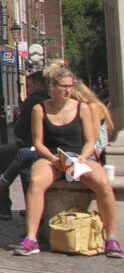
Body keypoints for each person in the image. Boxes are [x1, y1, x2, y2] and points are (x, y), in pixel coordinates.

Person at [11, 65, 121, 257]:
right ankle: (31, 238)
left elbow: (90, 141)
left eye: (70, 86)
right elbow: (38, 143)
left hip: (78, 156)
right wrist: (53, 159)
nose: (67, 90)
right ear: (52, 87)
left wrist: (82, 158)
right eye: (63, 86)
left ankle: (111, 238)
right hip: (52, 157)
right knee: (36, 181)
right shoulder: (40, 109)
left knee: (103, 183)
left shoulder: (82, 108)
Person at [0, 70, 48, 215]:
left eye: (29, 86)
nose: (28, 89)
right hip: (51, 148)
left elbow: (21, 131)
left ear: (38, 85)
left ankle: (2, 207)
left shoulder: (33, 100)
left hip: (34, 147)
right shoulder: (53, 99)